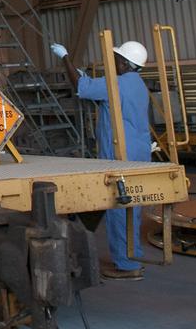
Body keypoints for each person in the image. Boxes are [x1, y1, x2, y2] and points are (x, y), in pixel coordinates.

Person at [51, 39, 151, 281]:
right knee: (132, 210)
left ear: (126, 63)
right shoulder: (138, 84)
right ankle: (133, 256)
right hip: (139, 153)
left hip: (119, 156)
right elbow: (105, 96)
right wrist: (87, 78)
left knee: (118, 210)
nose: (114, 62)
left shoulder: (116, 83)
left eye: (117, 59)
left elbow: (81, 89)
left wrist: (65, 58)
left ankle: (127, 266)